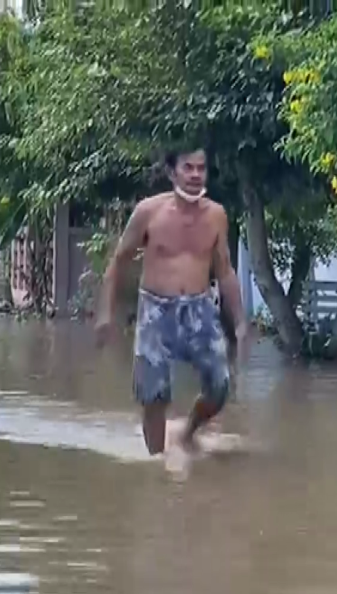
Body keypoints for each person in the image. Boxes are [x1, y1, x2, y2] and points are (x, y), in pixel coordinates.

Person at [95, 145, 248, 457]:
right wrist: (105, 313)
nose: (195, 175)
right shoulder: (149, 212)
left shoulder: (216, 215)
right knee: (153, 395)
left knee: (220, 386)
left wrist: (242, 322)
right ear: (171, 172)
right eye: (188, 167)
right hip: (155, 309)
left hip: (200, 308)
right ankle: (157, 462)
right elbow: (119, 260)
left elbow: (226, 270)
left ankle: (189, 432)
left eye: (201, 168)